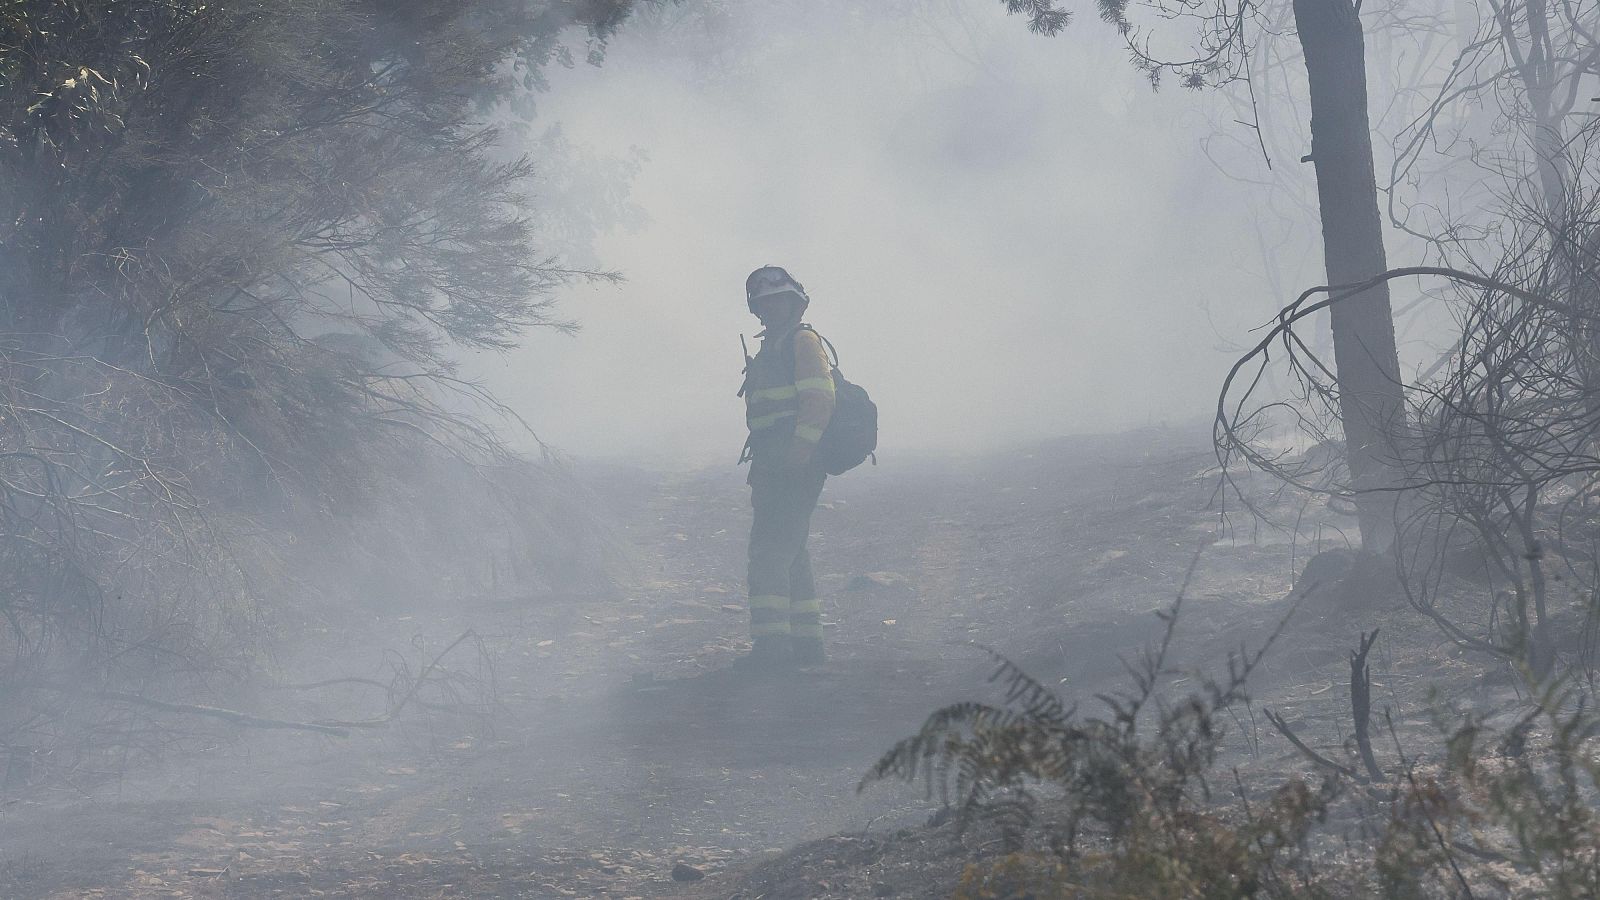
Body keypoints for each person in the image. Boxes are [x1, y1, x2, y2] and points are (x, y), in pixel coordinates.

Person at [737, 265, 836, 669]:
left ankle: (772, 649)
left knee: (768, 554)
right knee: (792, 551)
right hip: (774, 463)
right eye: (765, 303)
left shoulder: (802, 342)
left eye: (780, 300)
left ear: (795, 303)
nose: (772, 308)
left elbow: (820, 399)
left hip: (794, 464)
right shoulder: (774, 344)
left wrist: (801, 452)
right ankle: (807, 645)